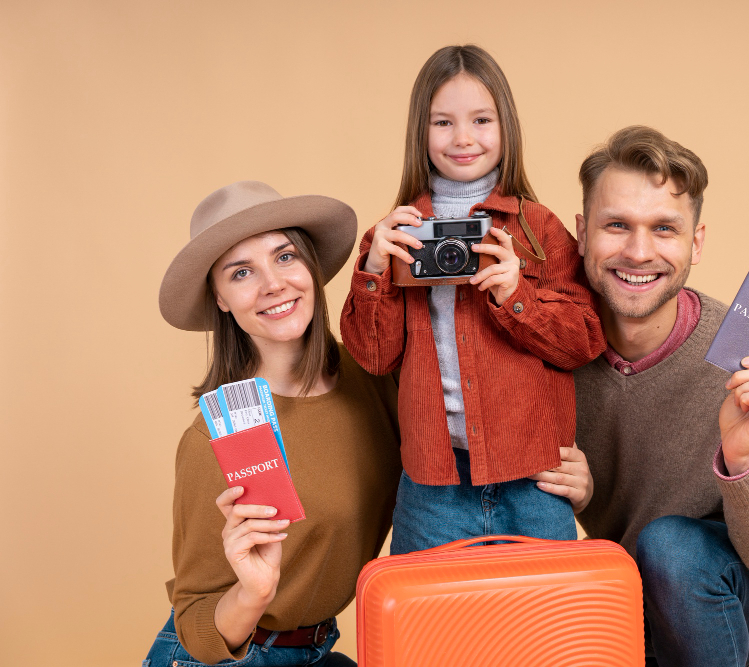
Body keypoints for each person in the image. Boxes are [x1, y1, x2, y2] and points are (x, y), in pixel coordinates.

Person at [572, 126, 749, 667]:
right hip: (635, 599)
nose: (639, 252)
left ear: (696, 243)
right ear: (581, 234)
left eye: (664, 229)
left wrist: (744, 458)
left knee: (673, 549)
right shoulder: (555, 348)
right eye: (616, 225)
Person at [340, 45, 603, 554]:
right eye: (443, 122)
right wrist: (376, 270)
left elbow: (585, 340)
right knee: (431, 630)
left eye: (481, 119)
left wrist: (516, 294)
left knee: (543, 627)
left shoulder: (538, 227)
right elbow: (374, 357)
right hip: (433, 480)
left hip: (533, 475)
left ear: (506, 126)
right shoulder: (397, 234)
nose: (463, 138)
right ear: (421, 130)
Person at [145, 181, 402, 666]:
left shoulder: (375, 381)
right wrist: (254, 594)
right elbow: (197, 622)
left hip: (322, 648)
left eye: (285, 257)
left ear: (311, 267)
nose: (273, 284)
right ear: (220, 298)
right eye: (241, 272)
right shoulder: (213, 441)